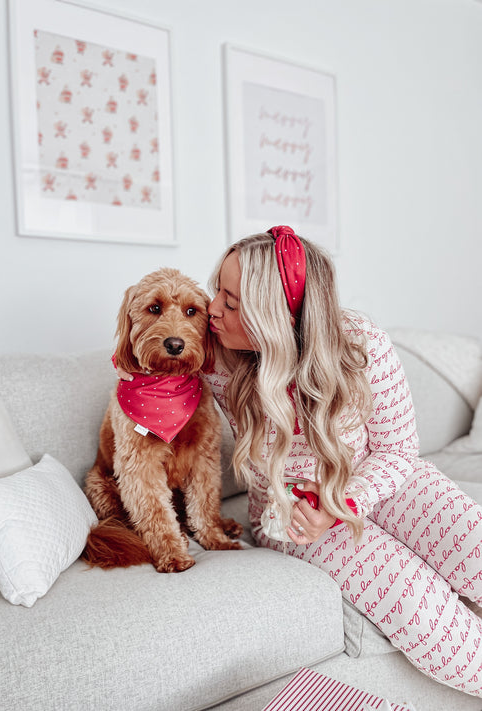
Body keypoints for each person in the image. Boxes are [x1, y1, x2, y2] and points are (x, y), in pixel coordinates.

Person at [204, 226, 482, 699]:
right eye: (217, 292)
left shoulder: (358, 341)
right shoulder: (218, 360)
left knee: (472, 540)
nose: (213, 309)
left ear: (276, 315)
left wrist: (346, 501)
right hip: (291, 510)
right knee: (415, 601)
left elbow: (397, 452)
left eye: (232, 302)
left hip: (378, 477)